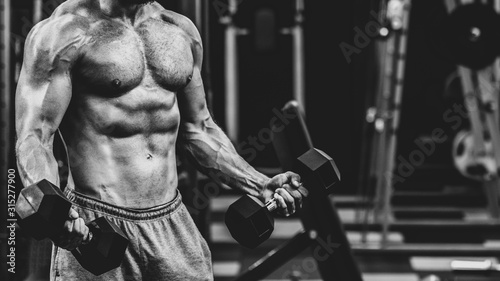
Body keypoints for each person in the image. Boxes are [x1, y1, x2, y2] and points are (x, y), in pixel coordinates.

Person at [15, 0, 305, 280]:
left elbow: (198, 129)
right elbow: (36, 136)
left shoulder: (180, 30)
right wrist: (56, 215)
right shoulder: (64, 32)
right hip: (96, 222)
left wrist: (259, 183)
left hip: (172, 220)